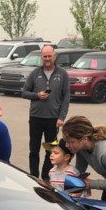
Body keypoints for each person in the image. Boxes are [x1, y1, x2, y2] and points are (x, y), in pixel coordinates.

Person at [21, 45, 70, 180]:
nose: (47, 59)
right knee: (34, 150)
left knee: (51, 150)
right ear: (41, 57)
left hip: (53, 119)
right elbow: (24, 92)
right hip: (36, 117)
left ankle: (46, 176)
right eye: (44, 56)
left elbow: (66, 98)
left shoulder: (62, 74)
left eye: (49, 56)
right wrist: (37, 95)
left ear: (54, 56)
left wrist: (62, 117)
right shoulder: (35, 73)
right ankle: (34, 176)